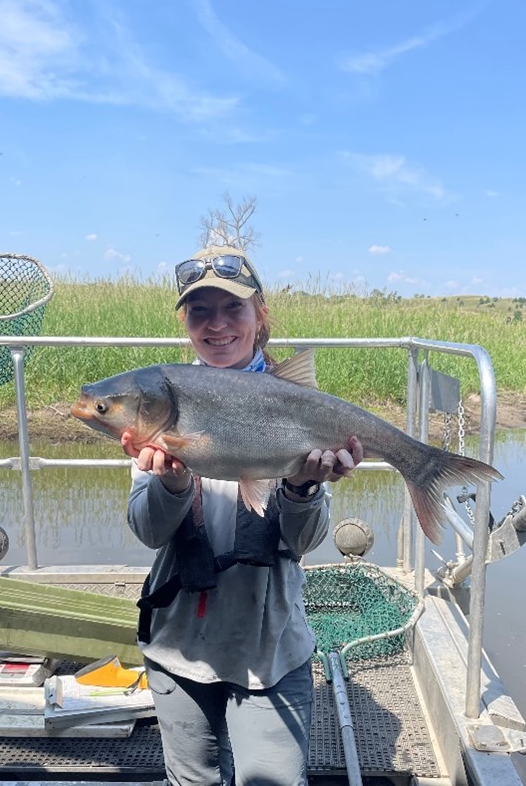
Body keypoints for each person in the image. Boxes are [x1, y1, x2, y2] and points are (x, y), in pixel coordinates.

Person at [121, 244, 363, 786]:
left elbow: (303, 545)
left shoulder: (296, 402)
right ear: (186, 323)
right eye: (200, 311)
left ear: (260, 316)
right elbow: (148, 530)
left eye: (233, 308)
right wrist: (174, 481)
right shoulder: (161, 399)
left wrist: (301, 488)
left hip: (269, 644)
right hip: (178, 640)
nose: (217, 325)